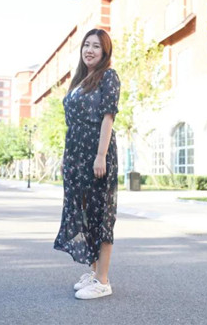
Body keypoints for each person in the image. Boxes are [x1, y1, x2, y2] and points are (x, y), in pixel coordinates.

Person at [54, 28, 121, 300]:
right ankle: (95, 272)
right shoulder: (80, 81)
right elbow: (72, 125)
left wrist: (101, 155)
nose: (89, 50)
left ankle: (102, 281)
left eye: (96, 46)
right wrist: (66, 156)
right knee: (83, 214)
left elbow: (108, 117)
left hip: (97, 155)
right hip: (76, 157)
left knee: (100, 215)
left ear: (105, 52)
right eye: (86, 45)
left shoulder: (108, 76)